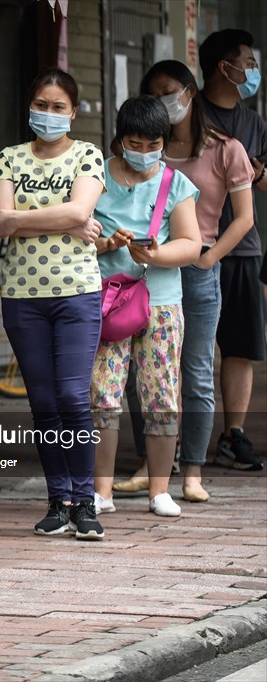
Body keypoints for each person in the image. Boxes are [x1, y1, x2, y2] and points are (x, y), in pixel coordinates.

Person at [112, 60, 255, 503]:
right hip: (137, 272)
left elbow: (245, 218)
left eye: (170, 91)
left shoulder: (225, 148)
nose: (164, 101)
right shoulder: (138, 147)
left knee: (193, 374)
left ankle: (192, 469)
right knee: (144, 374)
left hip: (195, 272)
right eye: (154, 93)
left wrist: (208, 257)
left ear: (191, 92)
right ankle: (153, 465)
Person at [0, 68, 105, 540]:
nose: (49, 114)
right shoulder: (8, 158)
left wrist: (25, 217)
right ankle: (58, 499)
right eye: (42, 104)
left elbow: (81, 212)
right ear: (29, 107)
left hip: (77, 291)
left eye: (59, 107)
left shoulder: (88, 155)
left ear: (73, 112)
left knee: (73, 397)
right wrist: (63, 221)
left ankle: (85, 500)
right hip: (23, 296)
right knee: (41, 401)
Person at [91, 96, 201, 518]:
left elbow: (190, 245)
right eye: (134, 142)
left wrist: (155, 255)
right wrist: (107, 244)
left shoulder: (176, 184)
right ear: (119, 140)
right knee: (103, 392)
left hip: (161, 302)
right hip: (107, 299)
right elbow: (78, 230)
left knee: (161, 394)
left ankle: (160, 490)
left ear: (164, 141)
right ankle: (102, 492)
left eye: (152, 142)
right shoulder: (96, 173)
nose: (143, 150)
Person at [198, 29, 266, 472]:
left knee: (239, 346)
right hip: (192, 245)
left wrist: (257, 177)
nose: (254, 70)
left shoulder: (255, 123)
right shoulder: (189, 113)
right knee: (189, 347)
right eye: (248, 61)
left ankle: (233, 434)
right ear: (226, 67)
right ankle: (176, 436)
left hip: (241, 248)